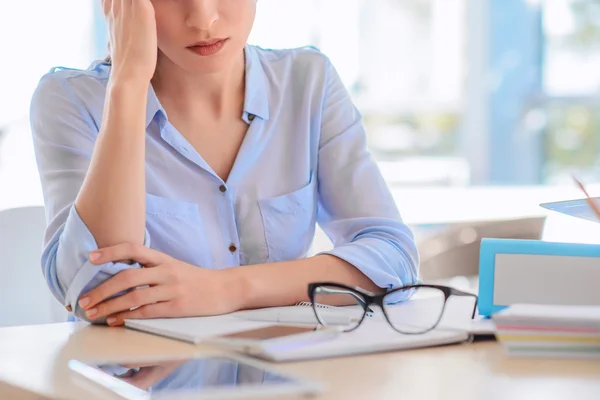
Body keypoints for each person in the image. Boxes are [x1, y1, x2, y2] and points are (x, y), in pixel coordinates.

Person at [30, 0, 419, 326]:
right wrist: (129, 84)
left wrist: (226, 289)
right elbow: (96, 295)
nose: (202, 19)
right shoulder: (72, 100)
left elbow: (391, 258)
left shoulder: (308, 82)